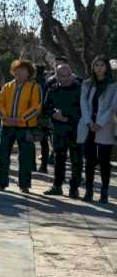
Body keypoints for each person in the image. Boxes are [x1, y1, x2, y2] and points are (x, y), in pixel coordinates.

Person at [0, 59, 42, 192]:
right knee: (3, 155)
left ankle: (24, 184)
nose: (19, 72)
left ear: (29, 72)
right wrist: (6, 117)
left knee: (25, 157)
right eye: (16, 70)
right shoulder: (7, 86)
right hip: (7, 125)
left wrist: (21, 119)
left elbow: (37, 106)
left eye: (23, 70)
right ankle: (1, 182)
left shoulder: (35, 87)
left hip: (26, 127)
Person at [76, 56, 116, 203]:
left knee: (104, 161)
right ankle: (89, 190)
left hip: (105, 127)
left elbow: (112, 107)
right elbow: (83, 104)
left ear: (107, 67)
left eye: (102, 65)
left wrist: (99, 123)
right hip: (89, 126)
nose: (99, 68)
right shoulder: (87, 84)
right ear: (92, 67)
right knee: (90, 160)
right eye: (96, 65)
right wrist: (89, 122)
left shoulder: (113, 85)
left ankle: (104, 192)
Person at [42, 63, 83, 197]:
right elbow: (46, 106)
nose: (65, 79)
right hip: (58, 130)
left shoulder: (80, 88)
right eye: (62, 76)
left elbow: (83, 109)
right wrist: (53, 114)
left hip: (76, 129)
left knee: (76, 159)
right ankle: (57, 186)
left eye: (68, 75)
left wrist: (65, 116)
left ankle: (74, 188)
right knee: (58, 159)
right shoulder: (53, 89)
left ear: (72, 74)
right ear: (57, 76)